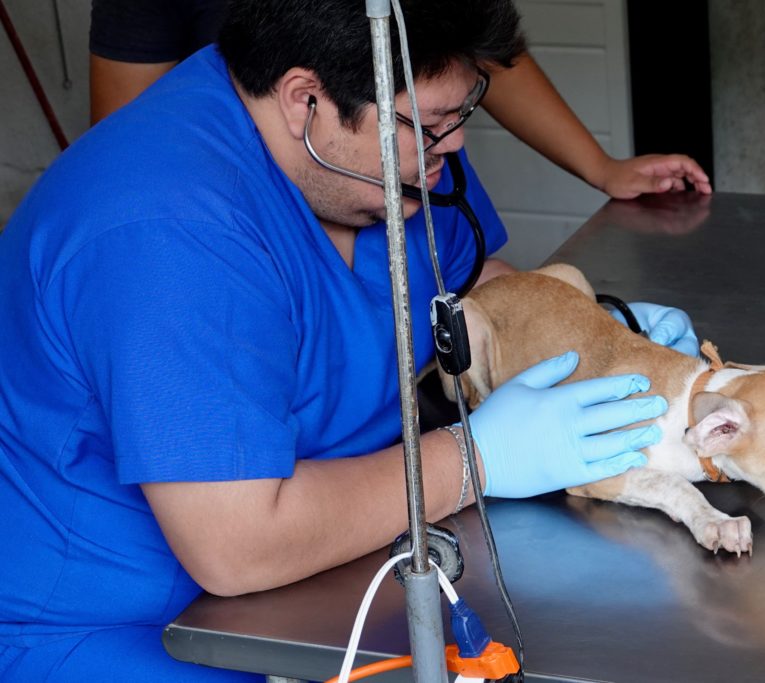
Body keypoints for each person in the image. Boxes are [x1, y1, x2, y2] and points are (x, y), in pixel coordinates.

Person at [0, 0, 700, 679]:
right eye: (430, 125)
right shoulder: (166, 231)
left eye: (464, 113)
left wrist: (597, 331)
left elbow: (465, 275)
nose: (453, 146)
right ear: (306, 101)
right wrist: (477, 457)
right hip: (115, 630)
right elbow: (239, 543)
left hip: (323, 581)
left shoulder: (391, 150)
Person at [88, 0, 712, 197]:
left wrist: (599, 166)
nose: (458, 137)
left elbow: (469, 47)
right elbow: (132, 144)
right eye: (442, 120)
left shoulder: (429, 153)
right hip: (265, 197)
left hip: (388, 163)